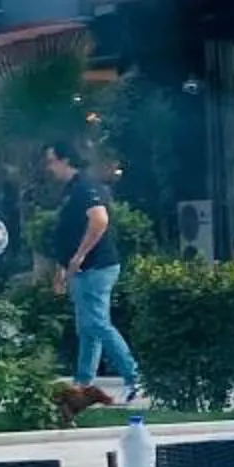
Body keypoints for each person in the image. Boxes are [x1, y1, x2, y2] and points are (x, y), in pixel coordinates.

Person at [42, 139, 142, 417]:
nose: (48, 167)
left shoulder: (86, 187)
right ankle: (84, 382)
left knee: (97, 323)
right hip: (82, 269)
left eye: (51, 160)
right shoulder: (71, 190)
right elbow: (68, 232)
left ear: (65, 160)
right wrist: (64, 269)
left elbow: (99, 220)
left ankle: (134, 376)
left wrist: (80, 256)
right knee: (87, 327)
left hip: (97, 267)